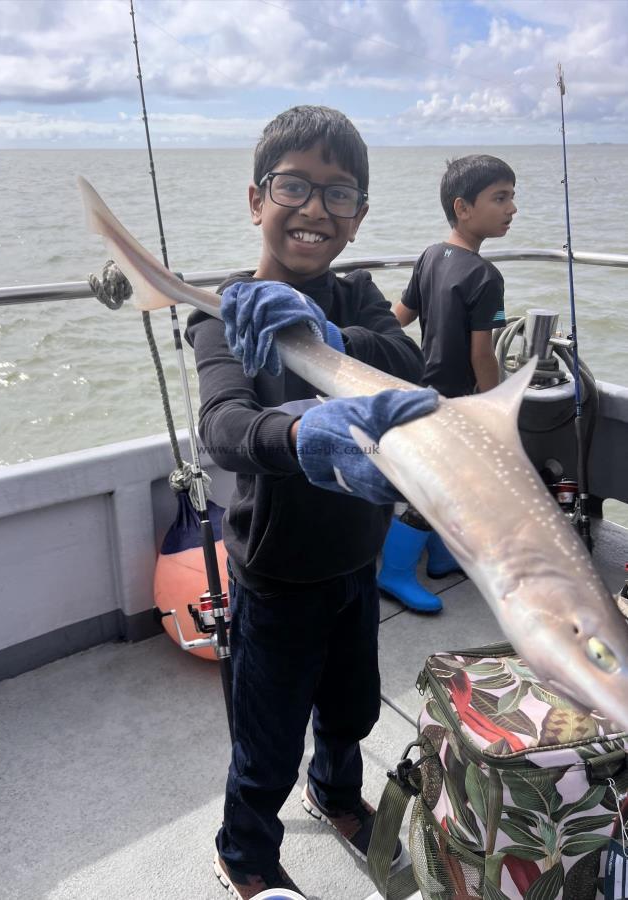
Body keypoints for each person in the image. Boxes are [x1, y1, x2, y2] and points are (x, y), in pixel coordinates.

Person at [185, 105, 432, 899]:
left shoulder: (357, 298)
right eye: (293, 185)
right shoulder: (221, 311)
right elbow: (223, 426)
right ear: (256, 199)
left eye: (338, 194)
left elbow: (409, 364)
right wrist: (292, 439)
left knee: (352, 706)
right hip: (277, 570)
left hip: (356, 555)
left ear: (357, 219)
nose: (314, 208)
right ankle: (245, 849)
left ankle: (333, 794)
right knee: (266, 735)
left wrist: (326, 331)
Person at [378, 154, 517, 613]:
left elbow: (397, 321)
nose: (512, 209)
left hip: (420, 389)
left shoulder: (431, 256)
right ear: (463, 207)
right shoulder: (486, 277)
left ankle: (439, 558)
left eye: (511, 197)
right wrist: (496, 407)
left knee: (455, 486)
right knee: (434, 492)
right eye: (500, 198)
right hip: (453, 402)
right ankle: (395, 573)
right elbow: (483, 355)